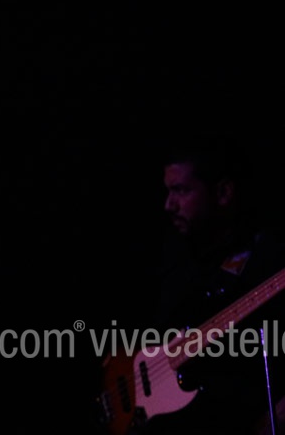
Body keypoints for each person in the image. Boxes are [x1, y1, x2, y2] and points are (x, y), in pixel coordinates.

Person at [112, 133, 285, 435]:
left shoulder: (266, 255)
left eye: (181, 190)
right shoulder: (173, 261)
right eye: (168, 191)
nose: (169, 205)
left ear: (223, 192)